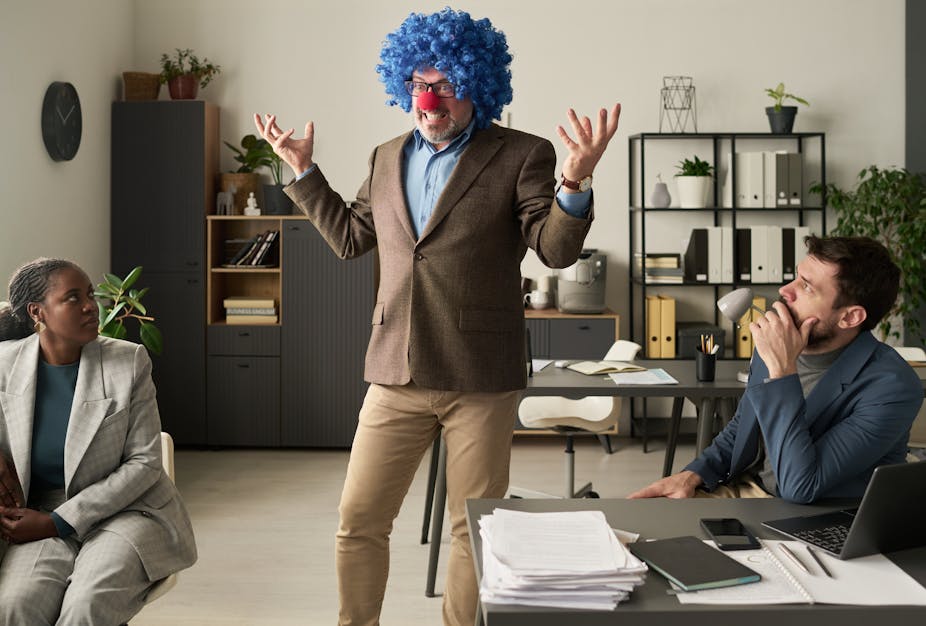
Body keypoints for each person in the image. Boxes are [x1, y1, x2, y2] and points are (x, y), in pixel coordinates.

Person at [254, 8, 620, 625]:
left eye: (446, 85)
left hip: (479, 375)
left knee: (470, 531)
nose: (431, 98)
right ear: (404, 86)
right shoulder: (385, 155)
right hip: (394, 370)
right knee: (358, 523)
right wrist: (304, 173)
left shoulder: (522, 154)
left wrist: (575, 182)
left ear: (477, 85)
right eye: (420, 83)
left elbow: (556, 249)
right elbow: (350, 238)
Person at [629, 235, 922, 504]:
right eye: (797, 277)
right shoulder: (775, 343)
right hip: (748, 488)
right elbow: (742, 427)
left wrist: (782, 371)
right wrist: (694, 474)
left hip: (817, 515)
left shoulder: (892, 387)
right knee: (638, 524)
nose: (785, 291)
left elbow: (801, 486)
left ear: (850, 317)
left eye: (806, 286)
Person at [0, 258, 196, 624]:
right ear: (37, 312)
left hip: (127, 511)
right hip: (37, 513)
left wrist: (58, 521)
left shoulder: (128, 361)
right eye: (73, 298)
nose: (92, 305)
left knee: (86, 606)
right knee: (14, 607)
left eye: (90, 294)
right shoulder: (4, 365)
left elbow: (145, 463)